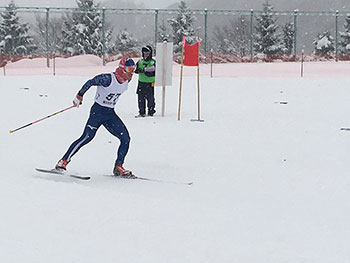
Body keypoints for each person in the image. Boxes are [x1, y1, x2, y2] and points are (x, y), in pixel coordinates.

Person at [55, 58, 136, 177]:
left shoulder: (126, 81)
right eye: (129, 69)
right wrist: (79, 95)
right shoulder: (107, 79)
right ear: (121, 69)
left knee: (126, 139)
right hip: (97, 112)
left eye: (133, 70)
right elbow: (91, 82)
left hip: (110, 114)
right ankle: (63, 161)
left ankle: (118, 166)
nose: (131, 73)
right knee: (87, 137)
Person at [135, 45, 156, 117]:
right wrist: (138, 70)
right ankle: (141, 112)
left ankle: (151, 111)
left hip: (150, 83)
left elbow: (154, 72)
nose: (146, 55)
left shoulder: (153, 62)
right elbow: (135, 70)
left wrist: (144, 71)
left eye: (147, 53)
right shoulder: (140, 61)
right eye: (144, 53)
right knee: (140, 98)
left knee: (150, 98)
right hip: (141, 82)